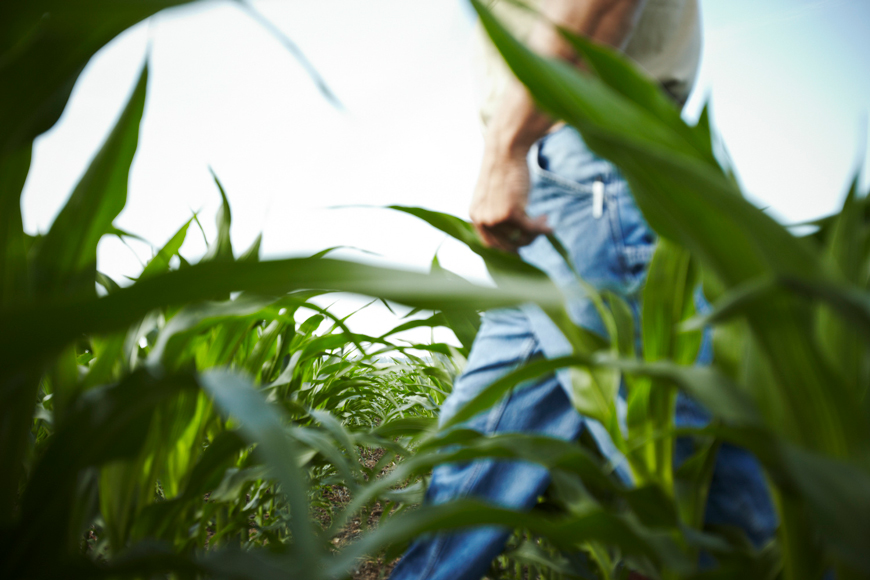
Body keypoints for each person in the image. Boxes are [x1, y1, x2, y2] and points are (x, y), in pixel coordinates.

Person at [389, 1, 777, 578]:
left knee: (692, 479)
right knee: (478, 458)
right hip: (567, 182)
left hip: (586, 162)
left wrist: (506, 144)